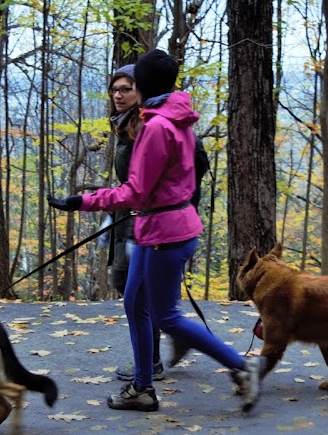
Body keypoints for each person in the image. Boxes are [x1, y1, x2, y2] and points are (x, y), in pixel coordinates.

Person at [48, 49, 260, 413]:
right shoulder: (173, 119)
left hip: (165, 232)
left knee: (166, 316)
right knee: (134, 304)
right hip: (157, 228)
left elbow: (135, 191)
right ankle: (143, 388)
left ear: (142, 84)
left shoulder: (157, 127)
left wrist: (81, 201)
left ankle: (243, 366)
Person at [106, 64, 194, 383]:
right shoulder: (127, 123)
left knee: (138, 293)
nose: (118, 94)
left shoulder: (148, 124)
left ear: (140, 89)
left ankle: (154, 359)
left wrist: (178, 206)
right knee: (127, 287)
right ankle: (167, 341)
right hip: (128, 218)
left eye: (126, 88)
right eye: (114, 89)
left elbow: (192, 163)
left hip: (148, 223)